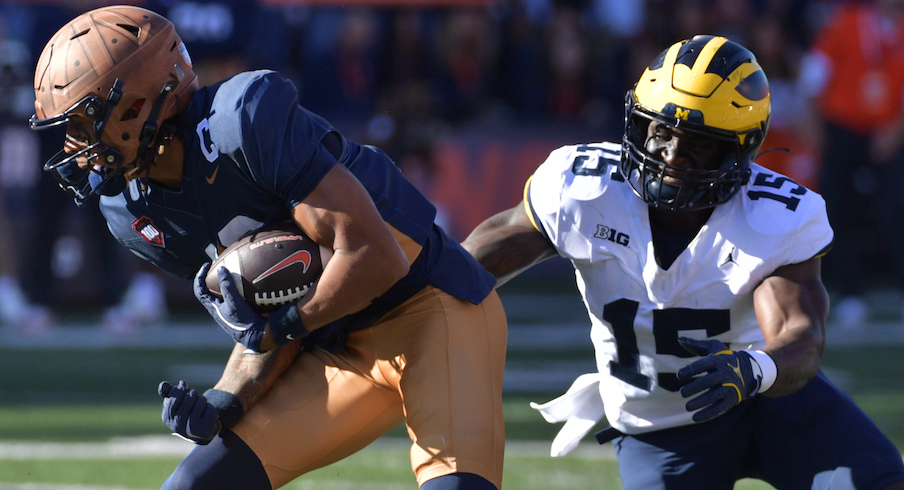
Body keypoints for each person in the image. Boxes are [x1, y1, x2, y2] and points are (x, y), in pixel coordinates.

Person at [29, 5, 506, 490]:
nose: (74, 145)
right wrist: (224, 398)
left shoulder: (241, 119)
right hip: (338, 349)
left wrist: (280, 329)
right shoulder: (131, 212)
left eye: (86, 122)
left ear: (138, 104)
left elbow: (376, 257)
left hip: (428, 308)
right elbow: (270, 308)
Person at [462, 34, 904, 489]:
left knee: (877, 481)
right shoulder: (582, 190)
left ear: (742, 148)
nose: (672, 156)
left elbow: (802, 337)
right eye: (661, 132)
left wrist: (753, 369)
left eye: (698, 143)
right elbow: (467, 267)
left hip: (765, 400)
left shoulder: (775, 217)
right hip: (658, 427)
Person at [797, 0, 904, 326]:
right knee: (838, 211)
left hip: (889, 131)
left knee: (896, 210)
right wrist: (816, 127)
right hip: (843, 130)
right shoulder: (846, 22)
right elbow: (813, 75)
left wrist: (896, 130)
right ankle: (851, 293)